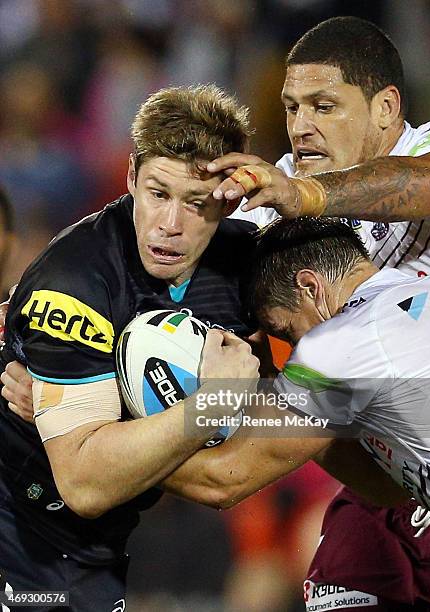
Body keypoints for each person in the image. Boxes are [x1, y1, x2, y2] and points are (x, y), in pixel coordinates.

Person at [0, 84, 262, 611]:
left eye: (196, 203)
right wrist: (213, 404)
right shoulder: (74, 283)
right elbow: (87, 485)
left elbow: (242, 468)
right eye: (158, 193)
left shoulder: (246, 261)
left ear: (230, 198)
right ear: (130, 178)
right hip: (24, 544)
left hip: (99, 550)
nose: (170, 225)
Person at [204, 16, 430, 611]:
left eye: (324, 106)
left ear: (386, 108)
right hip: (379, 472)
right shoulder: (284, 188)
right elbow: (202, 275)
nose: (302, 127)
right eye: (291, 108)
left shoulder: (419, 153)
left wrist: (311, 196)